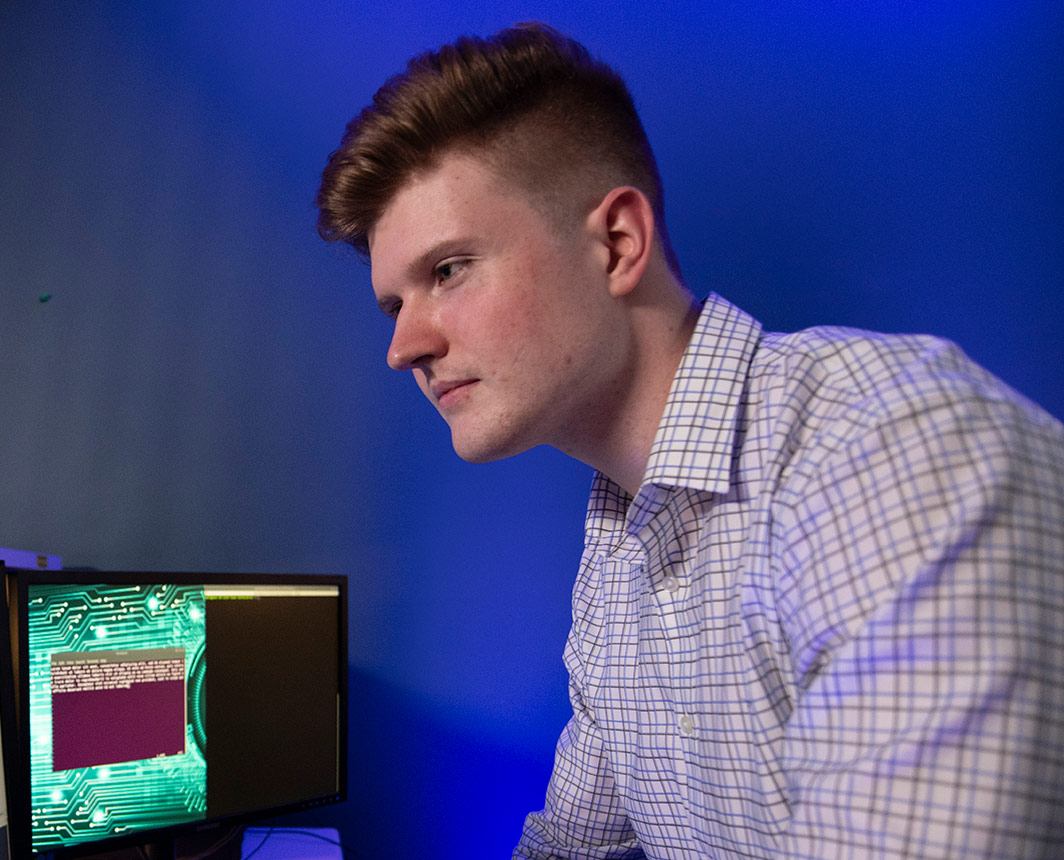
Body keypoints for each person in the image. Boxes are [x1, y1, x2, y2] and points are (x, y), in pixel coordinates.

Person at [315, 22, 1064, 859]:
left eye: (448, 270)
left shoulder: (891, 447)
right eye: (394, 305)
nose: (403, 347)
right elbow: (569, 848)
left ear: (617, 244)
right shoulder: (618, 552)